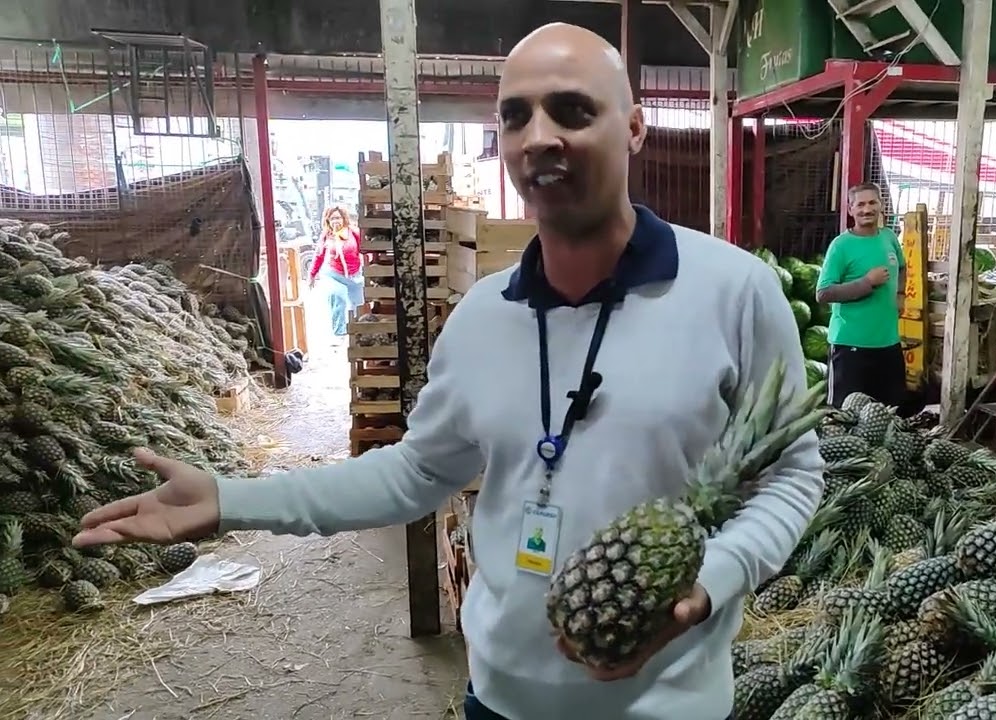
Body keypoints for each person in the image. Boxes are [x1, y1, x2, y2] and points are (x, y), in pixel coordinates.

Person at [72, 22, 822, 720]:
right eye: (516, 116)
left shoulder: (734, 292)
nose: (540, 137)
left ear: (632, 128)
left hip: (669, 708)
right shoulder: (482, 317)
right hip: (496, 701)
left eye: (572, 110)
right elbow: (411, 475)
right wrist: (233, 499)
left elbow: (790, 478)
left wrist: (711, 579)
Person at [815, 182, 907, 410]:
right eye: (861, 204)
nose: (867, 210)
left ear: (882, 205)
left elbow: (903, 267)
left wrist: (901, 294)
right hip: (850, 347)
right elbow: (823, 293)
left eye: (872, 202)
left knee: (890, 414)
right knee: (846, 416)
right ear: (851, 210)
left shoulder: (889, 238)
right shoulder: (841, 246)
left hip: (888, 344)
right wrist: (867, 282)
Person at [308, 206, 364, 336]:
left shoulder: (353, 232)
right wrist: (312, 275)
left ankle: (357, 332)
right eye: (332, 218)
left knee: (358, 305)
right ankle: (340, 332)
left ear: (344, 219)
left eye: (338, 218)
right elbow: (319, 255)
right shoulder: (326, 236)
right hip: (334, 274)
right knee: (338, 297)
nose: (335, 221)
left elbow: (365, 249)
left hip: (354, 274)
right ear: (328, 221)